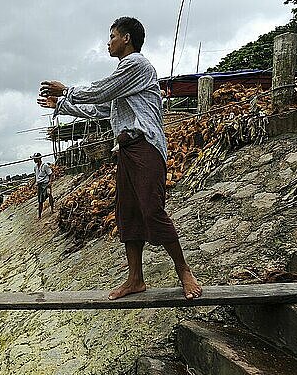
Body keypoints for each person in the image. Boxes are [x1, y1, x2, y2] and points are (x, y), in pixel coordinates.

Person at [38, 17, 202, 301]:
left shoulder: (137, 65)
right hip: (126, 151)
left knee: (152, 210)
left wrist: (66, 91)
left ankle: (183, 269)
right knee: (128, 214)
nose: (108, 41)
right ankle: (135, 279)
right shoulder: (124, 78)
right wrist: (63, 105)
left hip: (146, 146)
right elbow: (101, 108)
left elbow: (100, 90)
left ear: (126, 38)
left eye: (112, 36)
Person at [32, 152, 54, 219]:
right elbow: (36, 177)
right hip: (39, 185)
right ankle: (39, 215)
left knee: (49, 195)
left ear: (39, 158)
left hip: (46, 183)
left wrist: (50, 182)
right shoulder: (35, 167)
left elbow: (50, 174)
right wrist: (32, 185)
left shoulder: (45, 166)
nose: (34, 160)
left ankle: (52, 209)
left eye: (35, 159)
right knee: (40, 200)